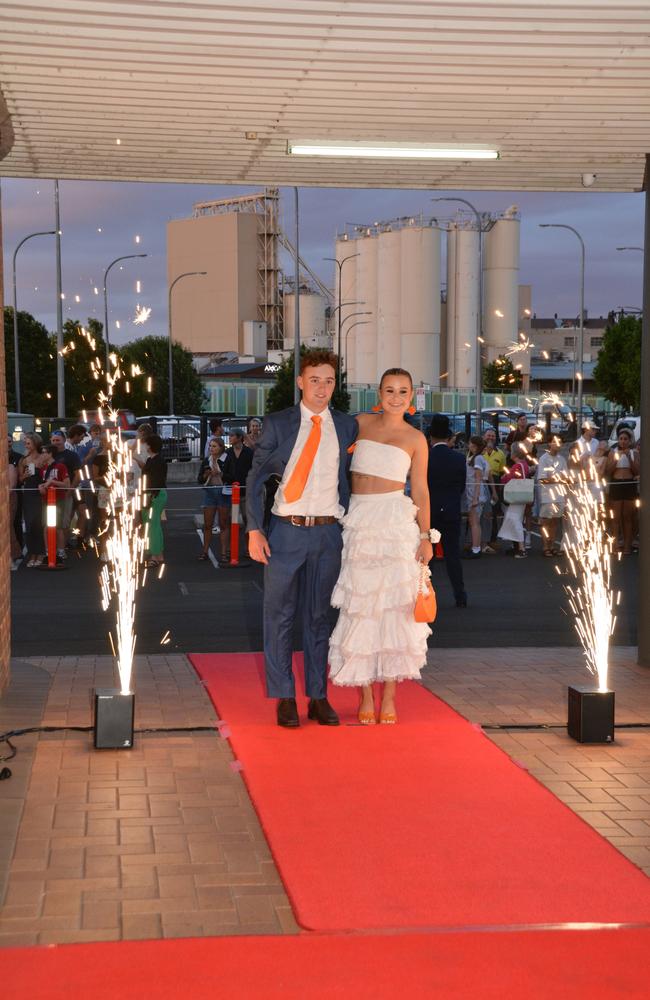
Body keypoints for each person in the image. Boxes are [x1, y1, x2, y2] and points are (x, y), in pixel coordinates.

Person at [246, 348, 357, 729]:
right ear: (300, 382)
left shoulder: (345, 426)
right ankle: (284, 698)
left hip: (328, 532)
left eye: (328, 380)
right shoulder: (278, 423)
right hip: (285, 531)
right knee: (278, 617)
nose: (322, 387)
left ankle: (318, 696)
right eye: (315, 380)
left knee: (319, 618)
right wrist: (254, 529)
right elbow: (256, 479)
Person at [329, 369, 433, 725]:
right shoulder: (360, 423)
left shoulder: (416, 438)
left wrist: (425, 536)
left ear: (411, 396)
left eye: (402, 391)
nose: (395, 396)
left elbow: (420, 489)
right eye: (389, 390)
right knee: (361, 607)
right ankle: (364, 694)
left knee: (393, 609)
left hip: (394, 522)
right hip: (358, 518)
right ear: (379, 392)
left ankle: (388, 693)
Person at [427, 414, 467, 608]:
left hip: (430, 511)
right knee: (453, 555)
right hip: (451, 510)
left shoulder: (425, 458)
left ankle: (426, 596)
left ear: (430, 437)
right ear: (448, 437)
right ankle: (460, 595)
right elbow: (461, 487)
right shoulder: (459, 459)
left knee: (428, 556)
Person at [603, 427, 640, 554]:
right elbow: (608, 471)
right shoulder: (613, 452)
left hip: (629, 484)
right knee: (616, 517)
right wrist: (617, 458)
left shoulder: (634, 452)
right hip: (616, 484)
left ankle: (627, 546)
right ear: (618, 440)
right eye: (621, 439)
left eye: (625, 439)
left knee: (627, 517)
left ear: (629, 441)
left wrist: (628, 457)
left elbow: (637, 471)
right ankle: (615, 546)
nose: (623, 441)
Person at [49, 429, 81, 559]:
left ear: (64, 440)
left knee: (64, 521)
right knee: (51, 522)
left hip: (66, 493)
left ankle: (62, 548)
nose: (56, 443)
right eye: (53, 440)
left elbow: (78, 475)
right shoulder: (49, 454)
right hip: (50, 496)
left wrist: (70, 490)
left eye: (58, 440)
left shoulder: (71, 455)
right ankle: (53, 547)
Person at [197, 437, 230, 563]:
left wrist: (220, 473)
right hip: (209, 491)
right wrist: (205, 475)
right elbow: (199, 479)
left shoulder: (227, 459)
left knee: (223, 523)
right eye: (210, 446)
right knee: (207, 524)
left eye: (214, 446)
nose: (211, 448)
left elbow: (232, 476)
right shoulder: (206, 460)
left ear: (221, 447)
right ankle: (205, 551)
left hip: (223, 492)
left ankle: (223, 553)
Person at [137, 434, 168, 568]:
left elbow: (157, 480)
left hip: (154, 494)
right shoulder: (152, 459)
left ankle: (154, 555)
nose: (144, 446)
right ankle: (158, 553)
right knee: (152, 524)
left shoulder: (158, 461)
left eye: (145, 443)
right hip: (150, 493)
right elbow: (145, 470)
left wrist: (150, 496)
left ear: (150, 446)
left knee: (152, 524)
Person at [18, 432, 47, 567]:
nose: (26, 445)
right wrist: (24, 475)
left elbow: (49, 474)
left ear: (36, 443)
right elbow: (20, 479)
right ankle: (32, 554)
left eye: (28, 443)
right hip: (28, 494)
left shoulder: (44, 457)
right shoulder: (24, 460)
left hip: (41, 493)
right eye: (26, 443)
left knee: (38, 524)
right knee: (29, 525)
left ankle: (40, 553)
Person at [536, 436, 568, 556]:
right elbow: (543, 479)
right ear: (549, 443)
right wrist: (558, 479)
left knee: (555, 522)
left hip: (560, 494)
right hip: (547, 495)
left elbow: (566, 477)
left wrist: (557, 479)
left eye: (559, 442)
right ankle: (545, 546)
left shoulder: (562, 459)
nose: (558, 444)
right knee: (546, 521)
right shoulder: (544, 459)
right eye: (555, 442)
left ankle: (552, 545)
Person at [38, 445, 71, 563]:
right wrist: (41, 486)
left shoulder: (60, 466)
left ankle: (61, 551)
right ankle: (48, 551)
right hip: (46, 500)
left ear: (50, 453)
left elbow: (67, 484)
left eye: (44, 452)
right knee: (46, 526)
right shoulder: (43, 468)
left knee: (58, 527)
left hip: (58, 500)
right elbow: (42, 483)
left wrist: (52, 481)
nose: (42, 455)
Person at [498, 441, 530, 558]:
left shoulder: (517, 466)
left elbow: (509, 478)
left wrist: (503, 477)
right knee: (516, 519)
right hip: (522, 496)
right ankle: (517, 546)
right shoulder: (524, 464)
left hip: (516, 497)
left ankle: (521, 548)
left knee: (514, 519)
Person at [463, 435, 490, 559]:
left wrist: (475, 497)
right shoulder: (476, 457)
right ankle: (476, 547)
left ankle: (476, 548)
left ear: (474, 445)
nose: (469, 445)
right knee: (475, 522)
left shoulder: (478, 458)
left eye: (470, 443)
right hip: (473, 492)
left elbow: (478, 479)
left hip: (475, 493)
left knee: (474, 522)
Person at [222, 431, 254, 534]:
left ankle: (249, 547)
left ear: (239, 437)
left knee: (247, 520)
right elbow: (223, 471)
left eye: (232, 436)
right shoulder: (227, 453)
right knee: (232, 520)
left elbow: (254, 470)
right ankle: (232, 546)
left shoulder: (249, 452)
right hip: (231, 493)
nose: (229, 438)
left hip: (245, 492)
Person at [482, 428, 506, 552]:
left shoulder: (500, 453)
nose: (490, 438)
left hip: (495, 483)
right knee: (479, 513)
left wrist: (499, 490)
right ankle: (477, 540)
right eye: (488, 435)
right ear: (484, 437)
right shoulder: (478, 452)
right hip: (480, 482)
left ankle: (492, 540)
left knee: (494, 513)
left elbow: (502, 472)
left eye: (493, 436)